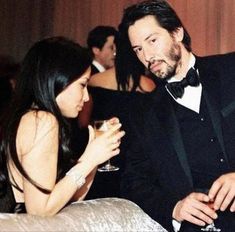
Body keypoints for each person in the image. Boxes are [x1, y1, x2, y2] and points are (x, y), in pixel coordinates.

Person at [119, 0, 235, 231]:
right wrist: (175, 208)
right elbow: (134, 181)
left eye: (152, 41)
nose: (147, 56)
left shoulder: (230, 69)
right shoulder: (143, 113)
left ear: (177, 33)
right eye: (138, 49)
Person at [0, 37, 125, 215]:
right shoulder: (42, 120)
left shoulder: (31, 116)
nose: (86, 97)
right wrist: (90, 159)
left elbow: (72, 197)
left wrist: (93, 155)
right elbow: (40, 211)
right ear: (57, 80)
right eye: (82, 85)